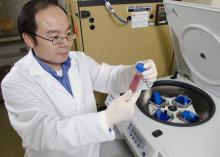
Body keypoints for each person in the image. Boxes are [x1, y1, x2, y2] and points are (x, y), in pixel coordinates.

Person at [1, 0, 157, 157]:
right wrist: (106, 118)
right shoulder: (15, 82)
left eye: (68, 33)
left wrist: (134, 72)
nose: (66, 43)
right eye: (55, 37)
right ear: (29, 39)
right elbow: (44, 134)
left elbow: (110, 78)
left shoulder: (79, 60)